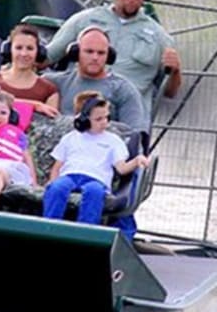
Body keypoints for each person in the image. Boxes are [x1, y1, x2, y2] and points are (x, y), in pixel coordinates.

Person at [45, 0, 182, 122]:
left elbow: (170, 92)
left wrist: (176, 71)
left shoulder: (160, 37)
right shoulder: (83, 20)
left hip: (127, 117)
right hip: (78, 110)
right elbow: (46, 58)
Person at [42, 91, 149, 224]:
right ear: (83, 120)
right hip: (70, 175)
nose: (104, 122)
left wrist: (137, 160)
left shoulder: (113, 140)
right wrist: (53, 181)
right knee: (57, 188)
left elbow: (121, 168)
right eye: (98, 119)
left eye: (107, 117)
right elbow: (58, 165)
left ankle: (86, 229)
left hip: (96, 179)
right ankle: (50, 225)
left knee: (94, 192)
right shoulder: (71, 138)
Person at [42, 26, 148, 136]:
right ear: (76, 52)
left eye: (101, 53)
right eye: (89, 51)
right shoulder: (54, 83)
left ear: (109, 56)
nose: (95, 57)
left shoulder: (123, 90)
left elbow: (135, 134)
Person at [0, 24, 61, 118]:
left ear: (39, 52)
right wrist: (35, 105)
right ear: (8, 50)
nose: (24, 53)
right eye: (18, 48)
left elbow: (52, 123)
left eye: (30, 48)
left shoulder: (49, 90)